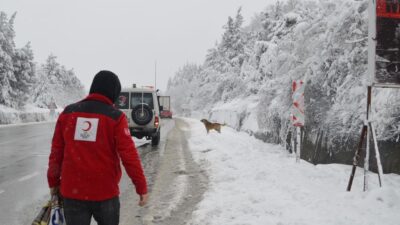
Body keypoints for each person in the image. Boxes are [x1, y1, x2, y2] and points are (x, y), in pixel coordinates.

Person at [47, 70, 148, 225]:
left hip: (73, 193)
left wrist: (53, 182)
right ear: (113, 93)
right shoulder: (115, 117)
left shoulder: (68, 113)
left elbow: (56, 153)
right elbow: (129, 156)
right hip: (105, 194)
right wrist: (141, 187)